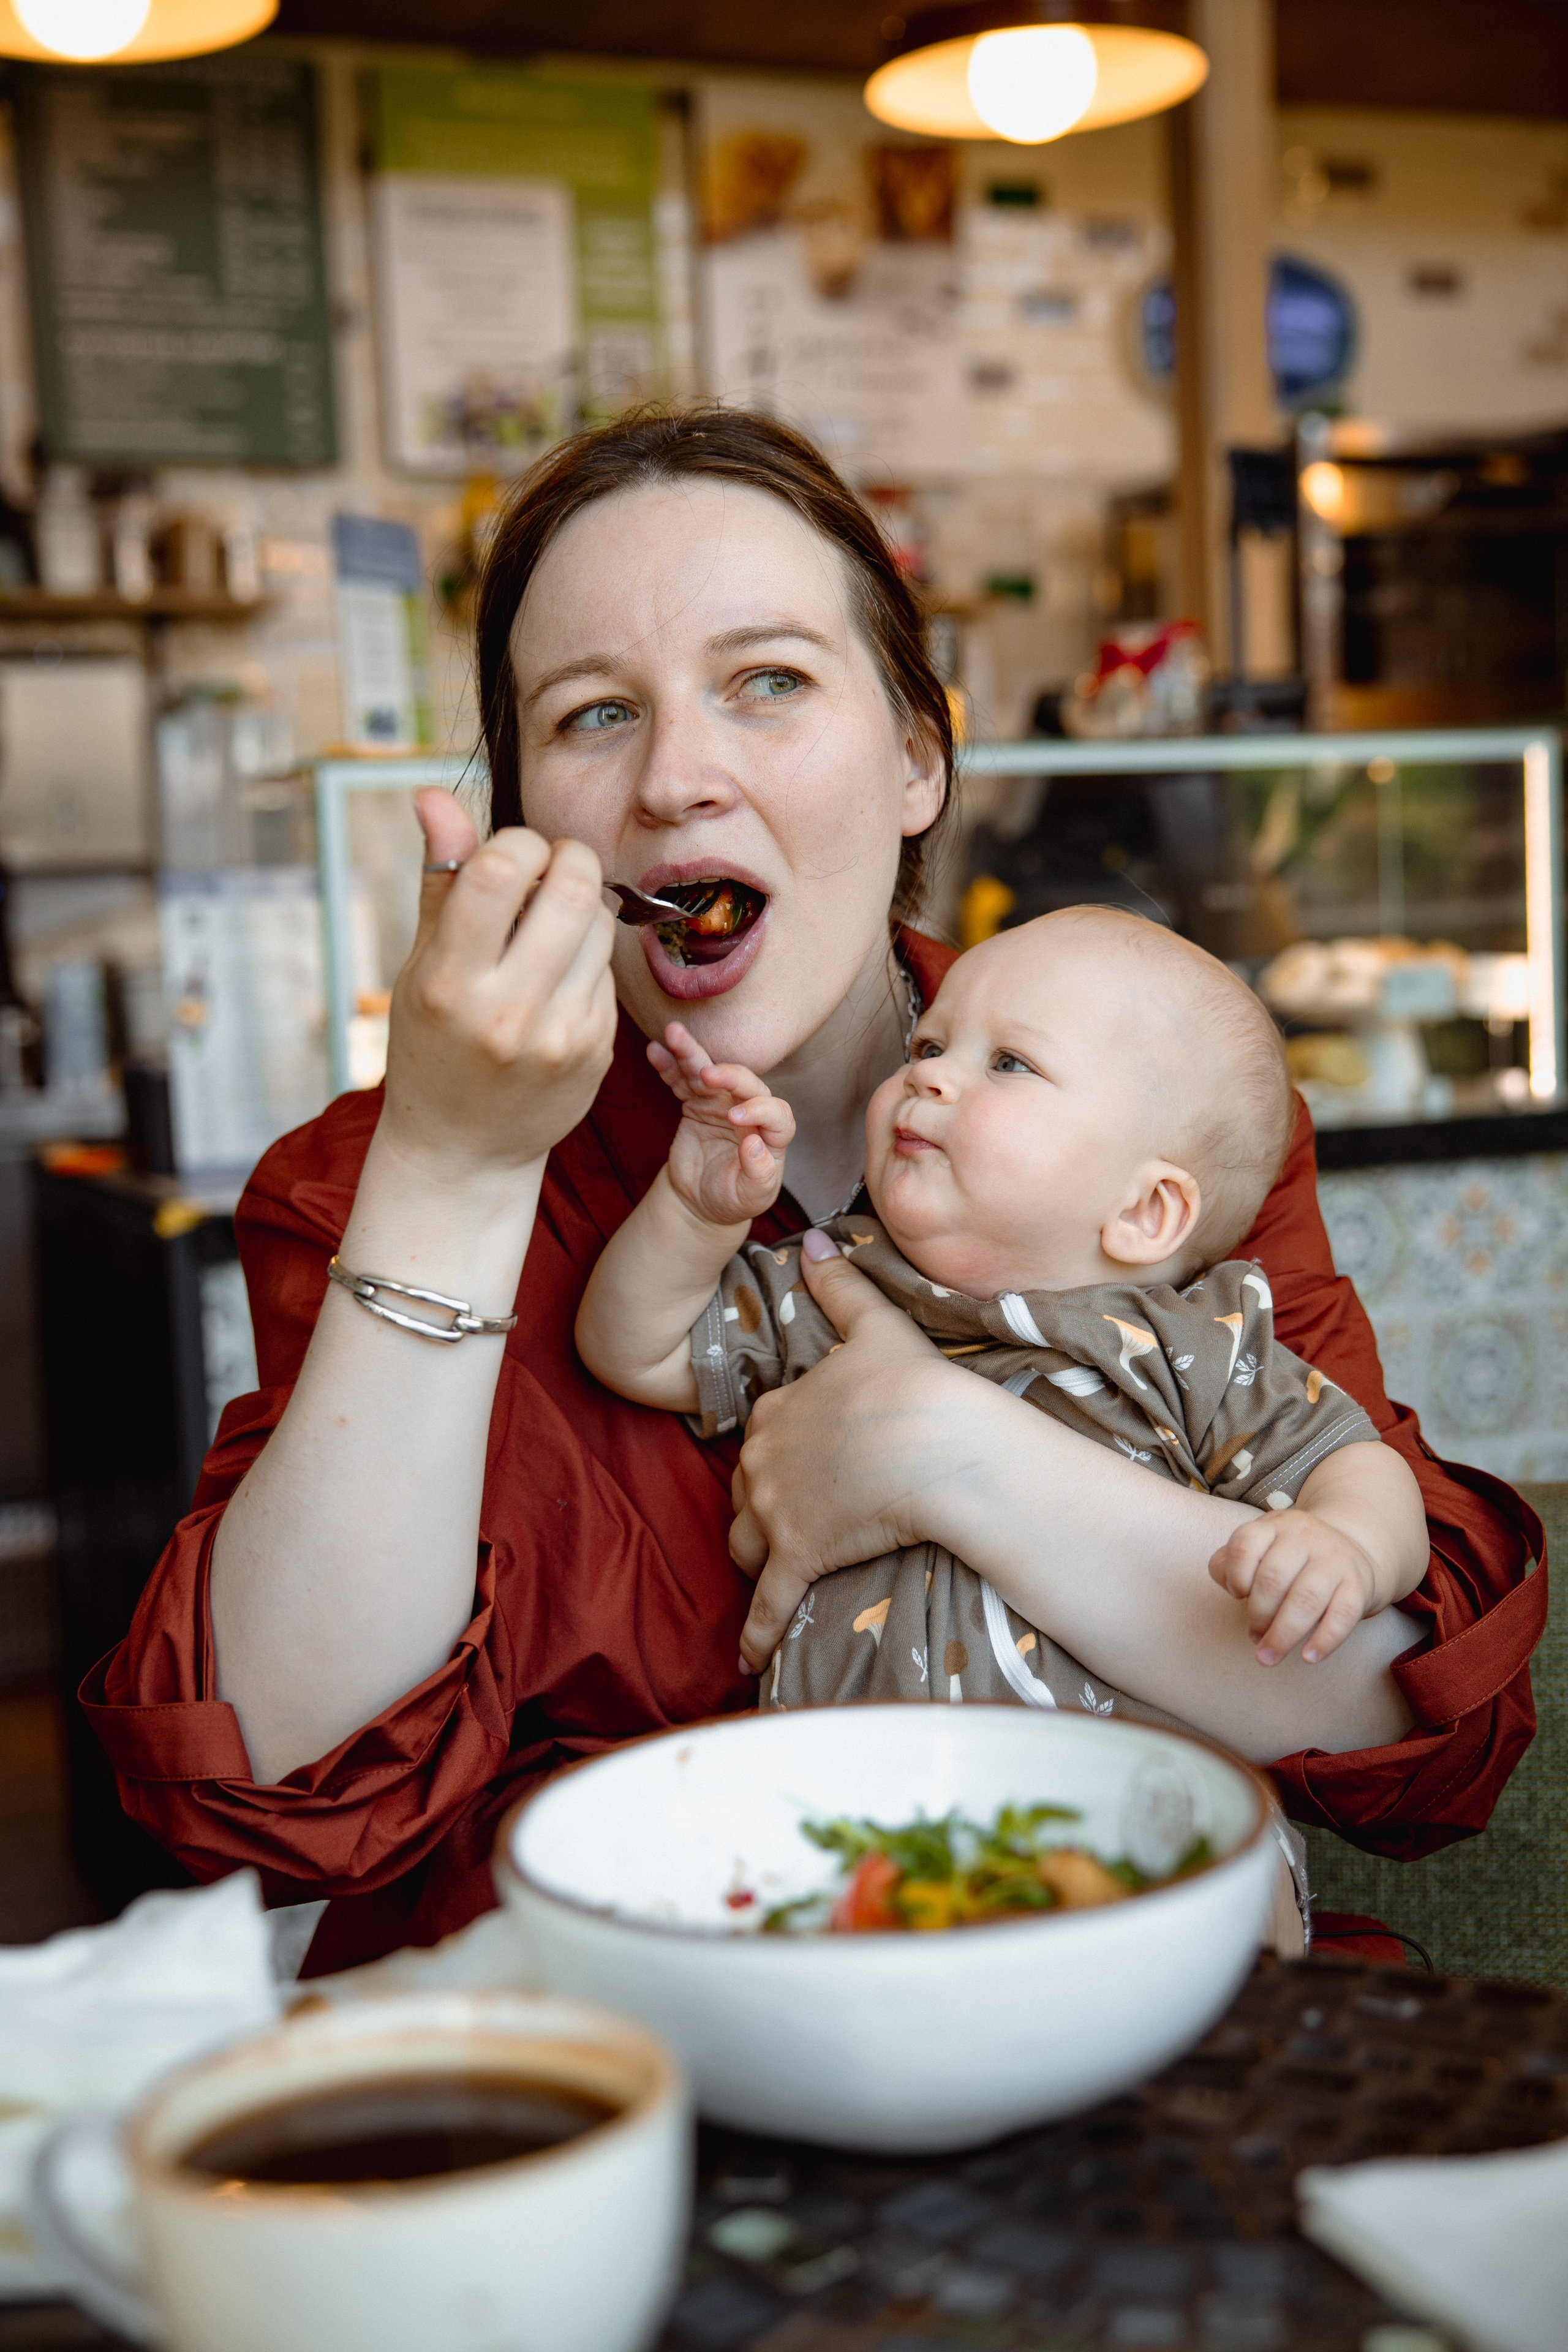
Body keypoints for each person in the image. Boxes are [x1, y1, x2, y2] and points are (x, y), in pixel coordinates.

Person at [82, 410, 1546, 1977]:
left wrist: (947, 1457)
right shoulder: (375, 1178)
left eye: (766, 682)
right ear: (526, 823)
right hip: (614, 2060)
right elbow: (279, 1780)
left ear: (917, 756)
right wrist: (457, 1163)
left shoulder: (1146, 1117)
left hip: (1091, 2018)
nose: (675, 780)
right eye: (589, 717)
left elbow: (1398, 1707)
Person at [576, 907, 1428, 1719]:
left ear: (1146, 1213)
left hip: (1118, 1826)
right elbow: (634, 1352)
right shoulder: (846, 1277)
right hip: (849, 1812)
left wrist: (1348, 1544)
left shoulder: (1200, 1346)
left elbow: (1355, 1465)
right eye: (931, 1043)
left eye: (1011, 1063)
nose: (928, 1074)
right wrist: (694, 1214)